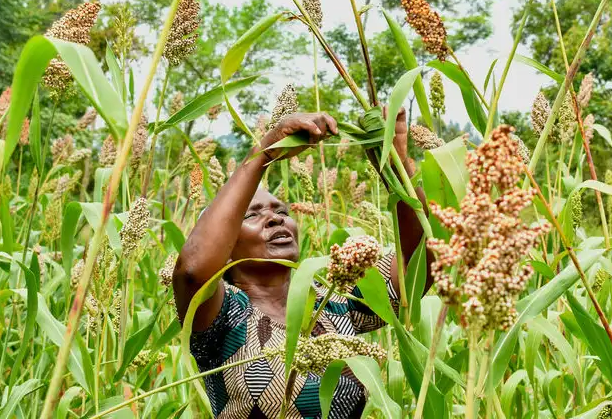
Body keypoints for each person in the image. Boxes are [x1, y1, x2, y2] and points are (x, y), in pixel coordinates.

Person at [173, 109, 431, 419]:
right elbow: (193, 270)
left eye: (281, 211)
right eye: (251, 215)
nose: (274, 218)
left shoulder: (334, 301)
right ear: (224, 244)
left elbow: (417, 268)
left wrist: (396, 166)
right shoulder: (222, 315)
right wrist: (265, 153)